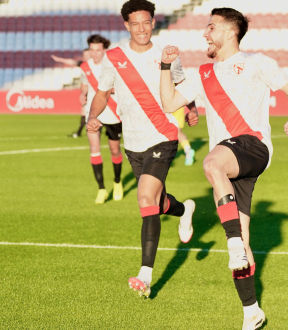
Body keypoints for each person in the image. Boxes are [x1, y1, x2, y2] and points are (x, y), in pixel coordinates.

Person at [158, 8, 288, 330]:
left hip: (253, 146)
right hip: (233, 164)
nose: (204, 34)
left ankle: (233, 244)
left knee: (210, 162)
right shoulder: (204, 74)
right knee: (244, 239)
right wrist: (165, 67)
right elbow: (168, 103)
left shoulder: (256, 62)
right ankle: (252, 311)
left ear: (229, 32)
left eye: (210, 28)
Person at [86, 0, 196, 298]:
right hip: (133, 142)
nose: (142, 28)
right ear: (126, 26)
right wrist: (93, 117)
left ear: (153, 21)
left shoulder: (166, 54)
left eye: (146, 22)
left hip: (163, 135)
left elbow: (182, 83)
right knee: (157, 203)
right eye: (135, 23)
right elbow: (101, 92)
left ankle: (145, 275)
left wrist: (192, 108)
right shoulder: (114, 57)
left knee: (145, 198)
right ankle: (185, 209)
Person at [79, 35, 123, 204]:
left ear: (104, 50)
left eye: (98, 50)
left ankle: (117, 182)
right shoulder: (85, 67)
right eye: (92, 50)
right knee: (94, 148)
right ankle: (102, 189)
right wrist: (82, 95)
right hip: (93, 113)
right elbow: (84, 85)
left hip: (112, 111)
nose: (95, 54)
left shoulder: (112, 65)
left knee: (114, 150)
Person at [52, 49, 91, 138]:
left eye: (88, 54)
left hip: (97, 92)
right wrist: (59, 60)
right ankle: (79, 132)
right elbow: (72, 62)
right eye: (84, 55)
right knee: (84, 112)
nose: (86, 56)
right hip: (87, 92)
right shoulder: (83, 64)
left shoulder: (98, 65)